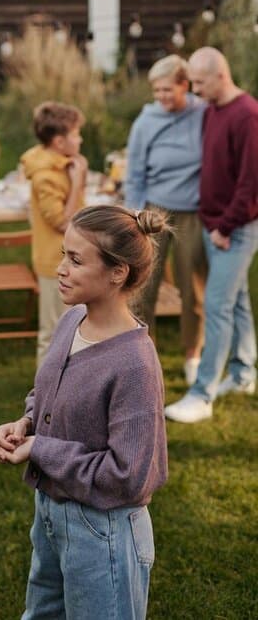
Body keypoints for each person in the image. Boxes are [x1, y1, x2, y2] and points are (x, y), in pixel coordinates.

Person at [0, 205, 169, 620]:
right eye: (62, 255)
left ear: (117, 272)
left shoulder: (134, 365)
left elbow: (128, 476)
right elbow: (49, 393)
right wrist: (26, 423)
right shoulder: (72, 321)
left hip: (103, 532)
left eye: (75, 260)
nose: (61, 269)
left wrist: (40, 448)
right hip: (52, 514)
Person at [165, 47, 258, 423]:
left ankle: (201, 395)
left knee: (217, 306)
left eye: (200, 83)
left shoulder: (248, 115)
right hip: (214, 224)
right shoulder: (213, 110)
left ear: (221, 75)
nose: (195, 91)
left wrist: (226, 226)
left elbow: (251, 183)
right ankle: (244, 372)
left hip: (234, 229)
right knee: (237, 302)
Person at [125, 54, 207, 385]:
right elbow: (134, 173)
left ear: (185, 85)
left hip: (194, 212)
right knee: (143, 286)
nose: (161, 96)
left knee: (193, 287)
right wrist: (134, 216)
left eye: (167, 90)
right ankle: (143, 357)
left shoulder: (204, 113)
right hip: (154, 210)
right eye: (156, 90)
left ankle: (193, 355)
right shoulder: (145, 122)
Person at [21, 102, 87, 367]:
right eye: (76, 134)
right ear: (59, 142)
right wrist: (78, 181)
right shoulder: (45, 176)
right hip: (54, 262)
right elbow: (62, 222)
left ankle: (70, 383)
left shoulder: (63, 165)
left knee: (73, 328)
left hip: (70, 257)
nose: (80, 139)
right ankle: (45, 390)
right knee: (53, 332)